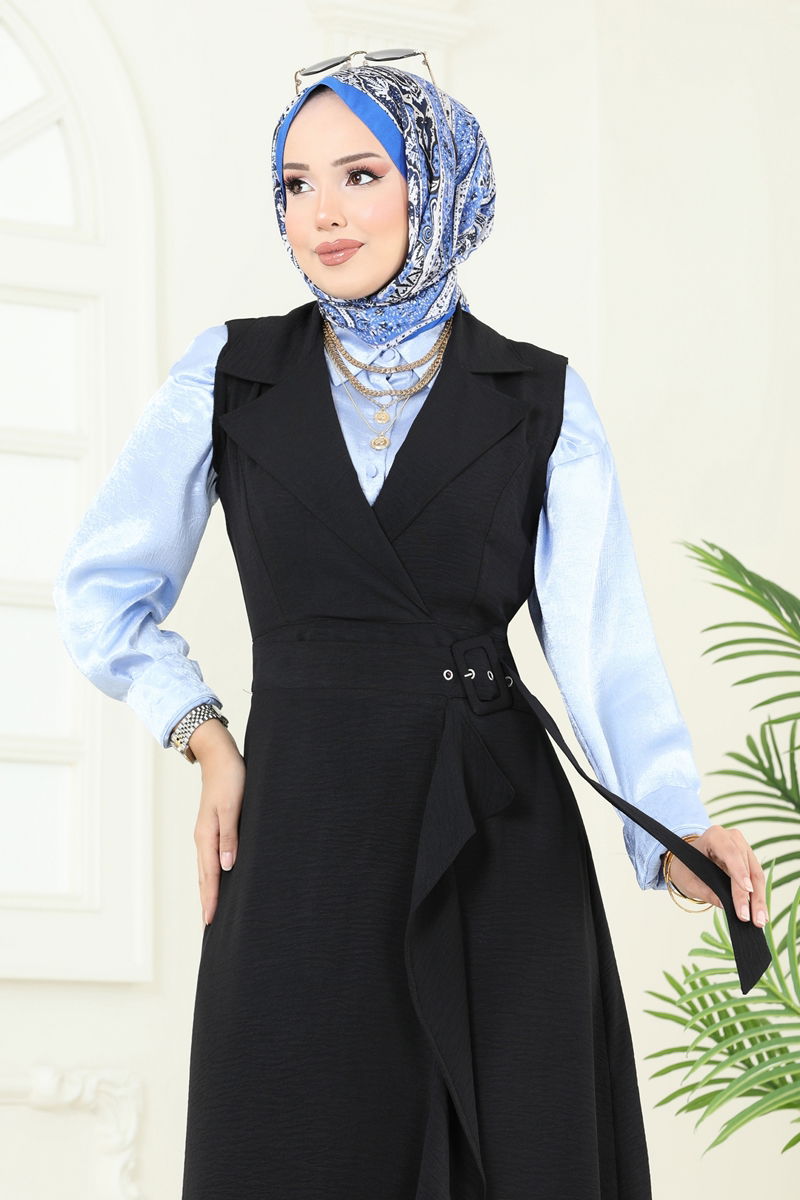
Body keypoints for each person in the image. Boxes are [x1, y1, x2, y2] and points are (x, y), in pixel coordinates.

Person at [53, 50, 771, 1200]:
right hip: (302, 841)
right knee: (293, 1146)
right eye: (295, 184)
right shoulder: (231, 377)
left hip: (496, 835)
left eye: (359, 175)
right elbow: (99, 585)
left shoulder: (536, 397)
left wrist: (676, 835)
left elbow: (601, 645)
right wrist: (203, 733)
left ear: (435, 187)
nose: (322, 213)